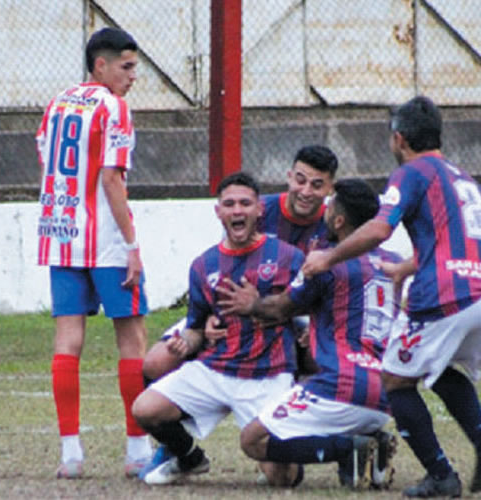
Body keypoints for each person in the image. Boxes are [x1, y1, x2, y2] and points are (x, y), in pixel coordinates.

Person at [302, 96, 481, 498]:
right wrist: (404, 268)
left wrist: (327, 258)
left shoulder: (413, 172)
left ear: (398, 138)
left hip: (442, 298)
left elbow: (380, 229)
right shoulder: (461, 177)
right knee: (442, 369)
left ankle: (440, 474)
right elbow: (454, 243)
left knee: (396, 381)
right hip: (477, 292)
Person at [138, 145, 337, 478]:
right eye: (300, 180)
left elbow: (327, 291)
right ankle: (177, 450)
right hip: (227, 338)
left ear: (329, 189)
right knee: (155, 364)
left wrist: (301, 320)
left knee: (322, 359)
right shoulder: (221, 247)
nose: (305, 191)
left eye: (316, 185)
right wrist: (199, 332)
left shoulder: (334, 223)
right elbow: (223, 275)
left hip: (286, 327)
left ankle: (342, 445)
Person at [217, 178, 401, 489]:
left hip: (341, 386)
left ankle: (351, 449)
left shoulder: (324, 262)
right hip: (386, 395)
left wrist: (252, 305)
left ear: (339, 220)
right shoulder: (394, 263)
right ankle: (372, 442)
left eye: (330, 209)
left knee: (253, 440)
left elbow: (281, 308)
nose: (325, 213)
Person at [35, 27, 152, 478]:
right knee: (133, 339)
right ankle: (137, 450)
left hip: (60, 235)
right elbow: (110, 179)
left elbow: (46, 163)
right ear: (100, 66)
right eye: (126, 67)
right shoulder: (114, 108)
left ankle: (70, 454)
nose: (132, 77)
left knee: (68, 341)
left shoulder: (57, 103)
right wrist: (132, 246)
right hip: (104, 241)